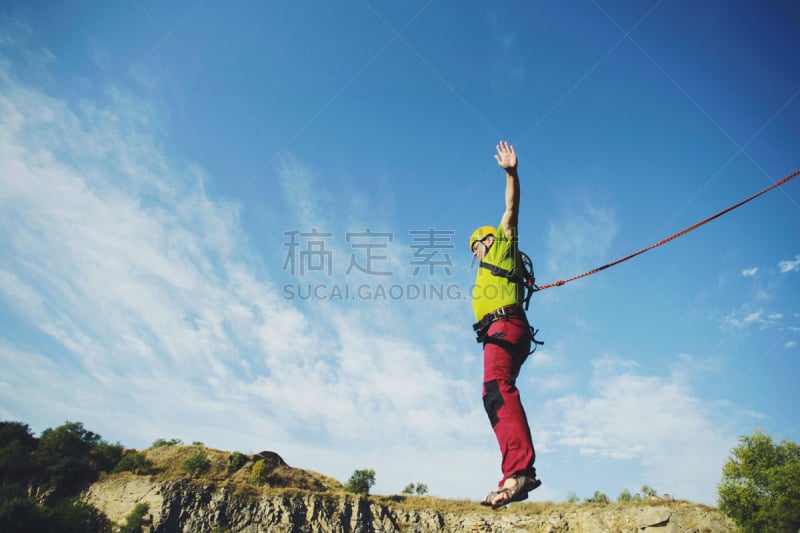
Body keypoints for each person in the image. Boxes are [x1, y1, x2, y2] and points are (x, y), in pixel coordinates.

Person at [470, 140, 541, 508]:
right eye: (472, 249)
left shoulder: (503, 243)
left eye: (476, 243)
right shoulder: (485, 272)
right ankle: (516, 469)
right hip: (497, 332)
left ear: (488, 238)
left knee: (497, 387)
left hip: (506, 325)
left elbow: (511, 208)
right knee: (492, 393)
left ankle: (519, 472)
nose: (475, 250)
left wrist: (511, 172)